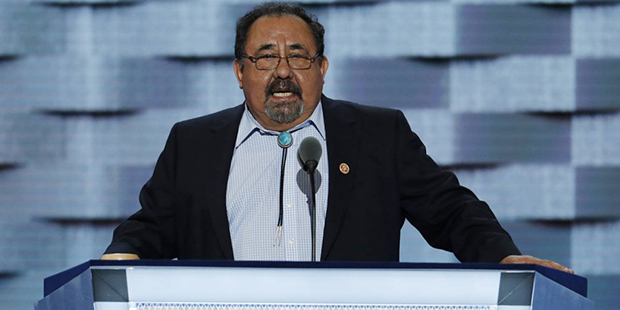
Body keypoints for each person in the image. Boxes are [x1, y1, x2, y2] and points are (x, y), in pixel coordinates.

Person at [102, 2, 572, 273]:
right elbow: (151, 226)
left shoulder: (378, 134)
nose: (283, 70)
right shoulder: (194, 142)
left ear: (322, 69)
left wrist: (504, 258)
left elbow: (453, 212)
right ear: (239, 72)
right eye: (265, 57)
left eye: (299, 56)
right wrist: (119, 257)